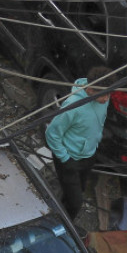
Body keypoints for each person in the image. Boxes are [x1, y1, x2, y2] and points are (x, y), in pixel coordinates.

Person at [45, 67, 112, 225]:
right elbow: (52, 133)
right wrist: (65, 159)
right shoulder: (72, 106)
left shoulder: (103, 96)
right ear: (90, 89)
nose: (106, 99)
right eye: (103, 95)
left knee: (77, 191)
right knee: (76, 203)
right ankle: (62, 227)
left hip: (89, 154)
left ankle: (60, 208)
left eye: (110, 94)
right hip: (69, 159)